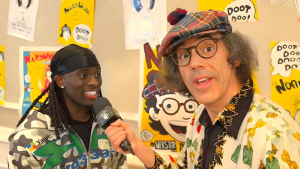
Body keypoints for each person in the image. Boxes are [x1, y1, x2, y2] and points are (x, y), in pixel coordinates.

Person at [105, 8, 300, 168]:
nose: (194, 63)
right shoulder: (199, 117)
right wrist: (137, 146)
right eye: (183, 55)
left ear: (235, 56)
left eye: (207, 48)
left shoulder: (274, 132)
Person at [7, 44, 128, 169]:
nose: (94, 82)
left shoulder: (108, 123)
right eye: (83, 75)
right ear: (60, 81)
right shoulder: (29, 138)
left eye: (97, 74)